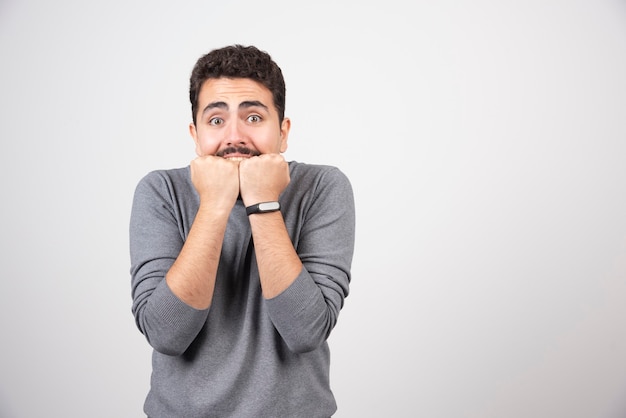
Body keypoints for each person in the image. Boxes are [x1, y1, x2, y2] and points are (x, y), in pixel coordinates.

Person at [129, 44, 356, 418]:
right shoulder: (160, 191)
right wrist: (216, 204)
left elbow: (305, 332)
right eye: (216, 121)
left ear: (283, 132)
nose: (234, 136)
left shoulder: (322, 186)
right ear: (195, 133)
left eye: (253, 117)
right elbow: (167, 334)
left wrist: (262, 200)